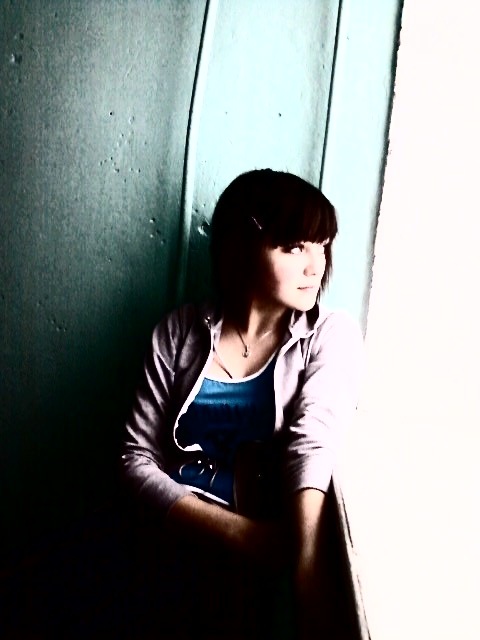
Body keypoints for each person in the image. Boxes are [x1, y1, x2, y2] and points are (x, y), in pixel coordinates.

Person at [121, 168, 364, 639]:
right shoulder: (179, 332)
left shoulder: (328, 336)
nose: (316, 266)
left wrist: (304, 570)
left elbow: (312, 446)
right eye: (295, 247)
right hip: (165, 537)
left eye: (323, 246)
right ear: (244, 246)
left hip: (242, 578)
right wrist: (244, 535)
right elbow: (135, 459)